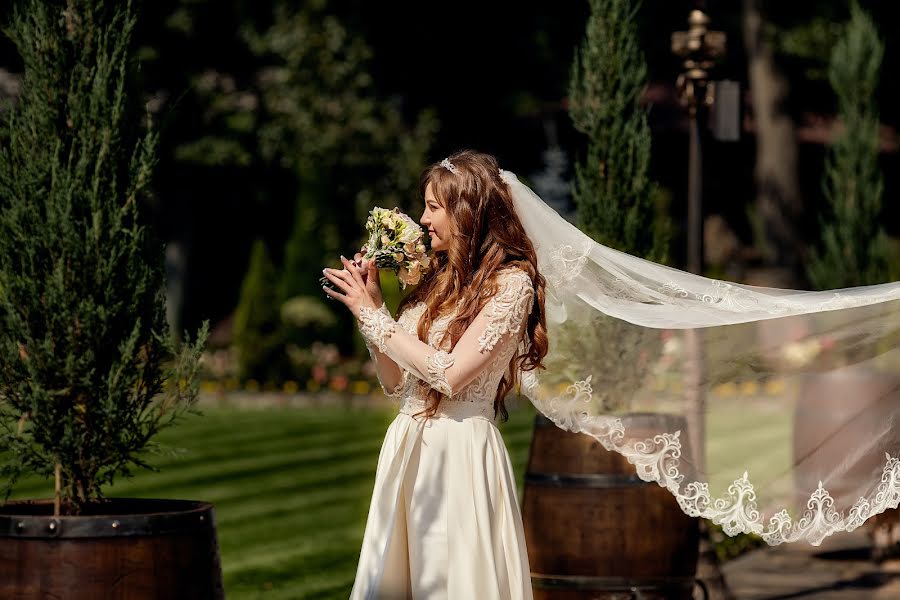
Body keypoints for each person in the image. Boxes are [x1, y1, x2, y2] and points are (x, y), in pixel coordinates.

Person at [322, 150, 545, 599]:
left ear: (468, 211)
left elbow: (450, 375)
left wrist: (374, 318)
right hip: (408, 447)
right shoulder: (433, 282)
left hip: (459, 453)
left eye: (434, 207)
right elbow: (397, 383)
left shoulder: (512, 285)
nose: (423, 219)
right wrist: (375, 307)